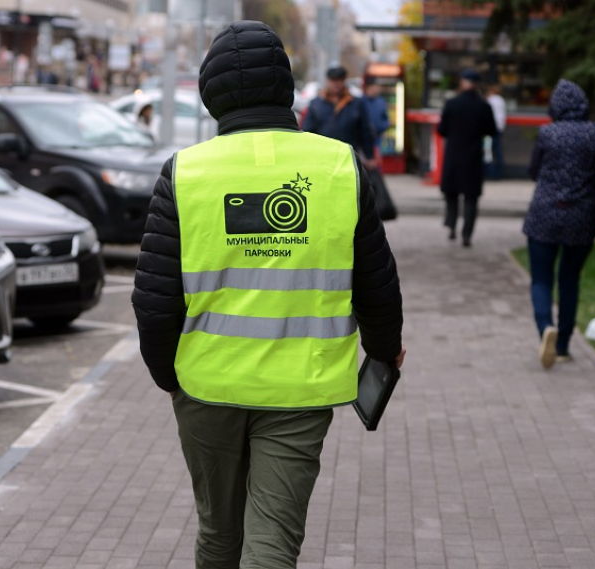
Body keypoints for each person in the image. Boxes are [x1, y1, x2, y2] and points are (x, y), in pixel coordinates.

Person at [132, 20, 405, 569]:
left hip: (205, 386)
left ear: (212, 95)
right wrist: (383, 351)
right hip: (300, 391)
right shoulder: (338, 166)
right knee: (273, 542)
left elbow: (155, 301)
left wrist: (171, 378)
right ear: (287, 90)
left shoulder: (185, 173)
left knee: (217, 534)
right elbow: (376, 283)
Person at [523, 79, 595, 368]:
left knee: (541, 279)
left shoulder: (547, 133)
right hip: (583, 216)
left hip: (544, 214)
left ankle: (545, 330)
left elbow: (532, 171)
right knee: (570, 280)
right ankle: (563, 345)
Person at [437, 68, 497, 247]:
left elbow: (441, 130)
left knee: (452, 193)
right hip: (473, 157)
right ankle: (467, 234)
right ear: (477, 84)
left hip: (454, 155)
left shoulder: (452, 103)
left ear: (463, 83)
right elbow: (491, 130)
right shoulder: (484, 106)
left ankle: (451, 225)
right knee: (471, 197)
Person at [302, 65, 377, 167]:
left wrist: (370, 157)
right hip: (323, 158)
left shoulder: (356, 104)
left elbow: (365, 132)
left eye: (339, 80)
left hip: (348, 158)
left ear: (344, 81)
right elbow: (307, 132)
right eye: (333, 80)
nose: (336, 84)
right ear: (328, 81)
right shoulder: (316, 104)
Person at [362, 76, 390, 156]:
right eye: (373, 86)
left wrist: (383, 126)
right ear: (367, 87)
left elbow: (385, 119)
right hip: (364, 139)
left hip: (378, 138)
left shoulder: (381, 102)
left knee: (377, 160)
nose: (375, 89)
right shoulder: (361, 102)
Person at [486, 82, 507, 179]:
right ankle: (499, 171)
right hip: (499, 127)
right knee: (497, 150)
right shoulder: (501, 100)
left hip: (490, 128)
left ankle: (490, 172)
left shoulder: (490, 100)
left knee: (488, 150)